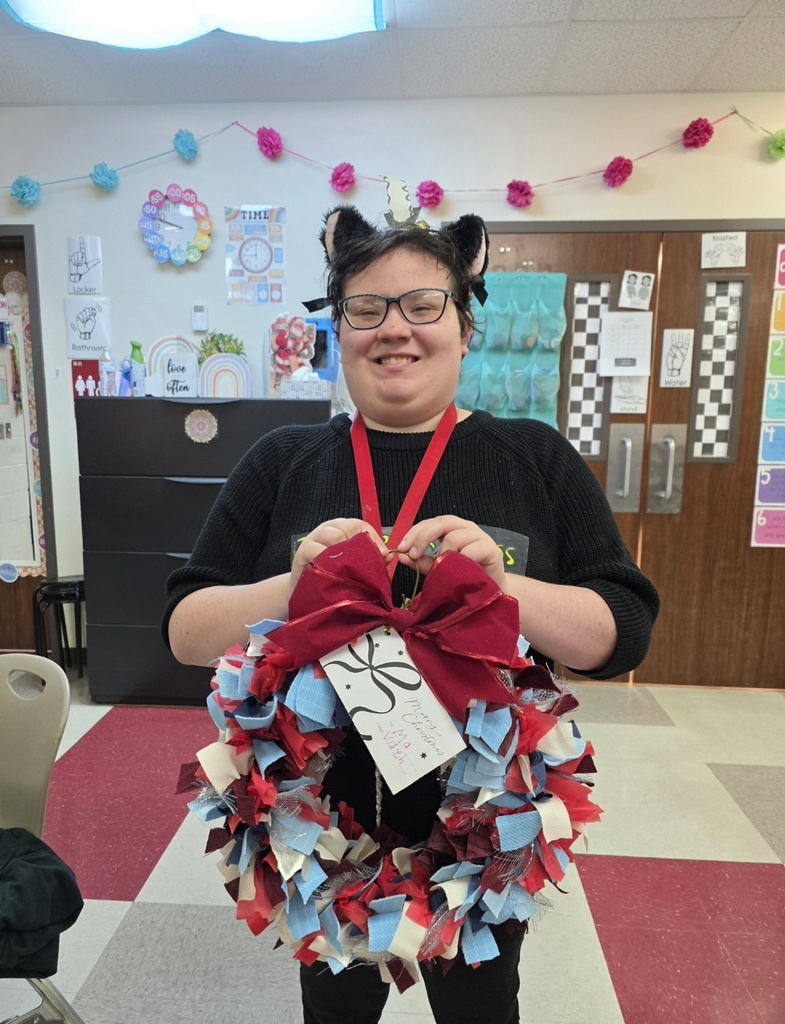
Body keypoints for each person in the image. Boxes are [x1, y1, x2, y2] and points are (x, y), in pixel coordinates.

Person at [163, 204, 659, 1024]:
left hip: (482, 837)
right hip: (321, 835)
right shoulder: (282, 461)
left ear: (466, 327)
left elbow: (620, 631)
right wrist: (291, 588)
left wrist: (505, 588)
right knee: (335, 1013)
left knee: (481, 1009)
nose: (394, 329)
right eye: (366, 308)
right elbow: (185, 630)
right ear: (338, 330)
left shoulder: (532, 457)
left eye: (424, 304)